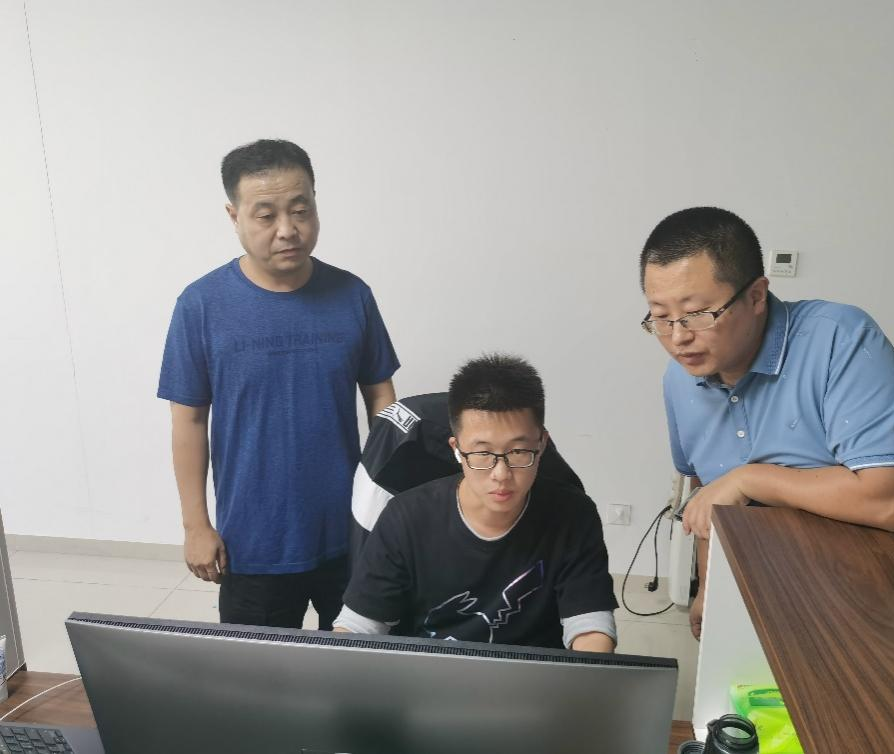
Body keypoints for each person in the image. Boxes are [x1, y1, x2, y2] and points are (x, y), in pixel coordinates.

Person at [639, 207, 894, 639]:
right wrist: (708, 589)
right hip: (746, 591)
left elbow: (891, 503)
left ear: (756, 296)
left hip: (852, 603)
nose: (678, 337)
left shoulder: (840, 339)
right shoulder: (680, 379)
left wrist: (751, 478)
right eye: (660, 317)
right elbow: (707, 494)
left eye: (697, 314)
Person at [158, 139, 399, 630]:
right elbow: (189, 420)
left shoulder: (352, 295)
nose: (288, 229)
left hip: (350, 530)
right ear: (234, 216)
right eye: (266, 215)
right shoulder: (201, 306)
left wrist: (388, 500)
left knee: (359, 665)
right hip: (253, 540)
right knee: (260, 671)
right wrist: (196, 525)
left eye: (300, 210)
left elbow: (381, 396)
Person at [334, 354, 618, 652]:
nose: (501, 474)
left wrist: (588, 672)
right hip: (430, 673)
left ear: (542, 444)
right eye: (482, 454)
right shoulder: (405, 517)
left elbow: (590, 626)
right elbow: (360, 626)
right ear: (456, 448)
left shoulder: (572, 514)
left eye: (518, 452)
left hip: (535, 675)